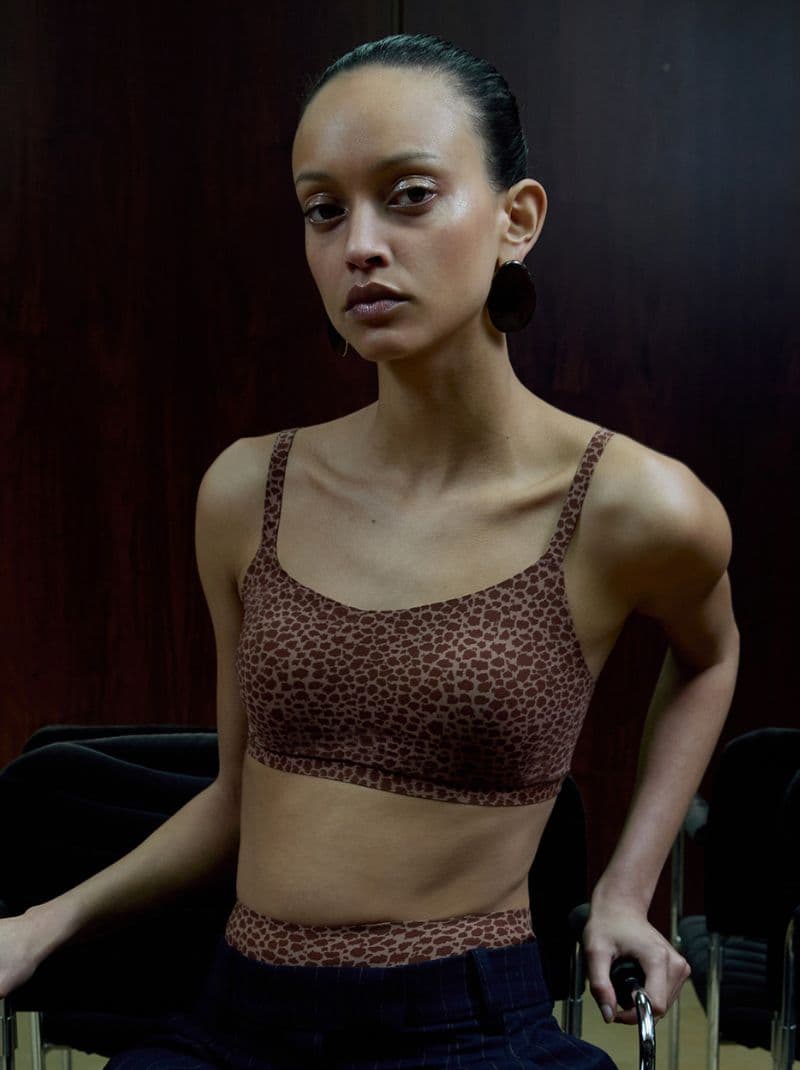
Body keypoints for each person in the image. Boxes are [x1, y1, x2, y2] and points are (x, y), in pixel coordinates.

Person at [0, 32, 739, 1070]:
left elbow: (710, 653)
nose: (357, 244)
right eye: (322, 208)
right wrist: (37, 925)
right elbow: (236, 796)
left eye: (407, 194)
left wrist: (624, 887)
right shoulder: (244, 490)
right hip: (232, 1022)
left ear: (513, 220)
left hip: (467, 1027)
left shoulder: (632, 505)